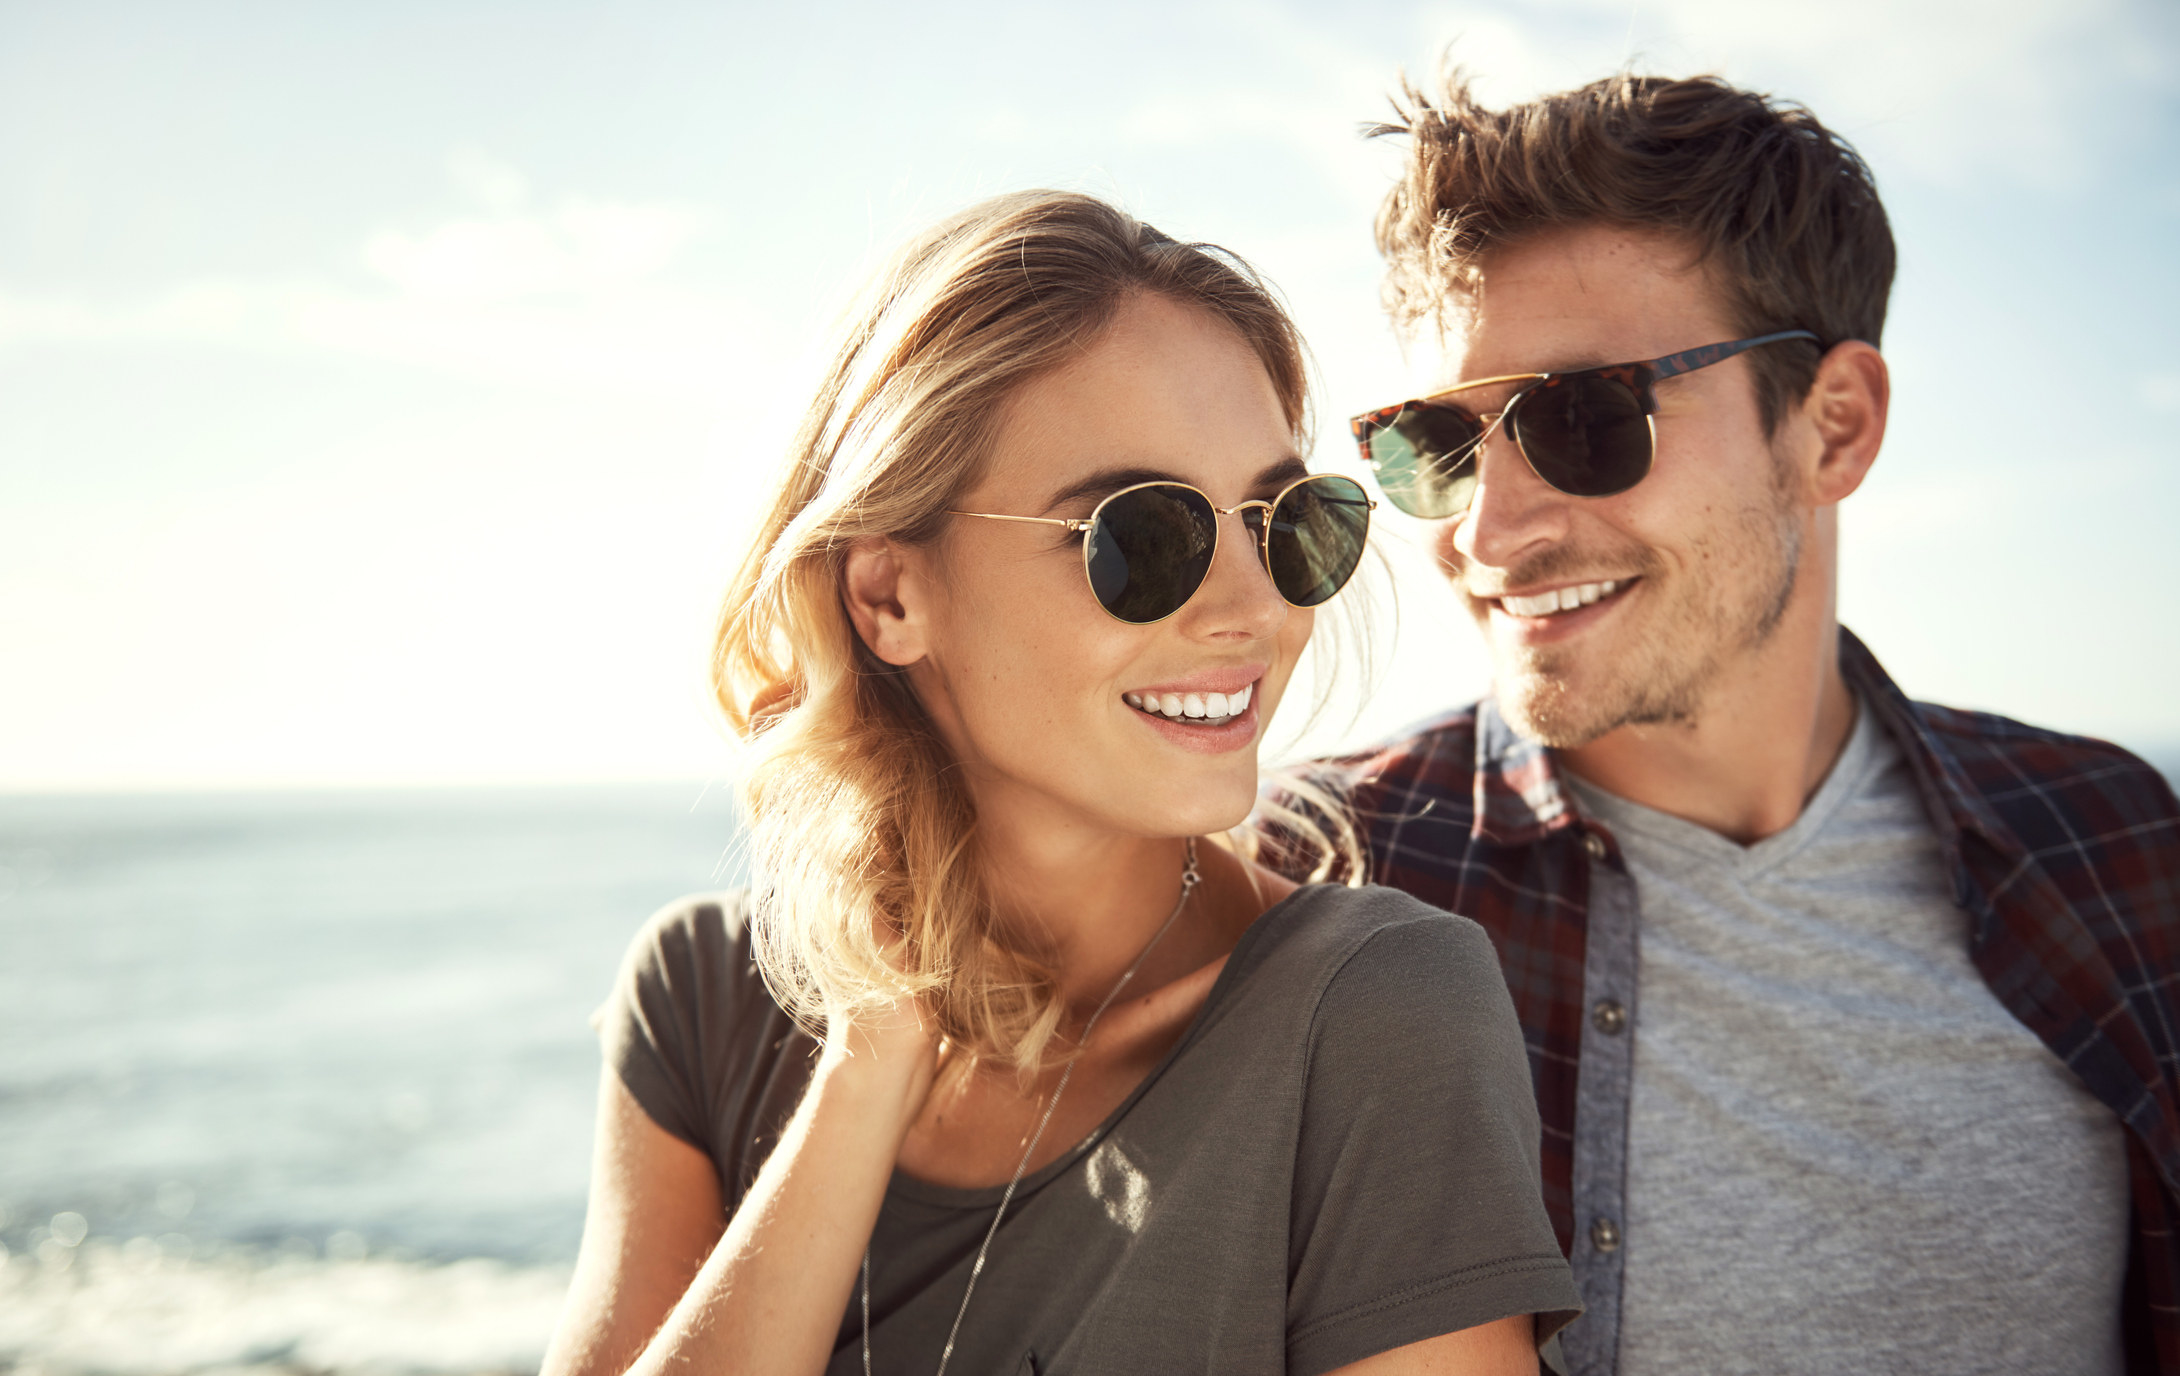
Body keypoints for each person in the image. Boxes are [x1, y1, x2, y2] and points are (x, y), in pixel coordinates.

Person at [540, 190, 1580, 1376]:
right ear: (887, 595)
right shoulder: (704, 999)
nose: (1253, 608)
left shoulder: (1375, 1012)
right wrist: (870, 1052)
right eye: (1144, 535)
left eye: (1283, 521)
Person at [1306, 67, 2180, 1375]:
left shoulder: (2115, 843)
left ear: (1835, 427)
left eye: (1584, 417)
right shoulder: (1324, 887)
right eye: (1436, 444)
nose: (1489, 533)